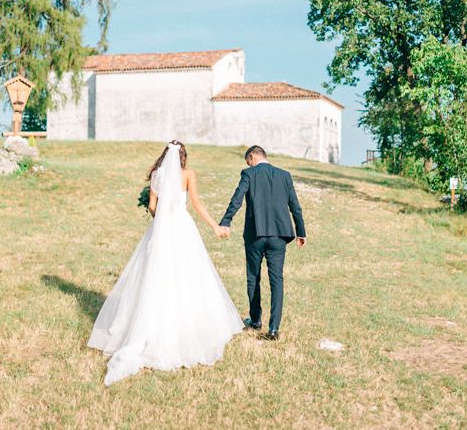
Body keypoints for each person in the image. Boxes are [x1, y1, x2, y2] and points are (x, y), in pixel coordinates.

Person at [88, 140, 242, 385]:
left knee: (153, 276)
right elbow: (197, 204)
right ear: (183, 156)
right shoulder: (188, 174)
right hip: (182, 228)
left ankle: (144, 327)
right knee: (187, 274)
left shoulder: (157, 175)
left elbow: (152, 206)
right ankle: (186, 329)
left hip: (160, 230)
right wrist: (215, 227)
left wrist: (159, 222)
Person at [219, 145, 306, 341]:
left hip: (255, 234)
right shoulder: (285, 175)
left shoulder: (249, 174)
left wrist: (226, 221)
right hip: (279, 236)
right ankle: (274, 328)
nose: (248, 165)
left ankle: (256, 320)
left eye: (247, 161)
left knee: (253, 277)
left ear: (252, 157)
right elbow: (295, 206)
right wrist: (301, 232)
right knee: (277, 280)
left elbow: (237, 199)